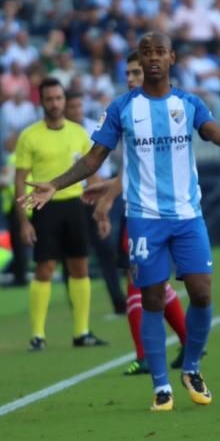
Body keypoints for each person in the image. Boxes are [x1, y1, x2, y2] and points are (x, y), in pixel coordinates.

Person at [21, 32, 220, 411]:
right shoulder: (122, 108)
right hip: (145, 218)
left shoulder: (189, 103)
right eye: (147, 53)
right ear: (140, 62)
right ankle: (161, 386)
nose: (154, 59)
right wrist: (55, 184)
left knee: (203, 292)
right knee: (151, 297)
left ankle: (191, 367)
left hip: (187, 214)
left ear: (172, 57)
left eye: (160, 52)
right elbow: (94, 159)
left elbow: (215, 134)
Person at [84, 51, 190, 376]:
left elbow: (145, 170)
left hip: (152, 213)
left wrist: (106, 200)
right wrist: (109, 194)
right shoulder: (127, 109)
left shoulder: (158, 110)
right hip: (138, 209)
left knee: (138, 281)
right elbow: (132, 169)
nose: (130, 78)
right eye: (128, 73)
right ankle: (186, 344)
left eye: (135, 72)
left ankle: (147, 354)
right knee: (149, 282)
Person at [15, 78, 107, 351]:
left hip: (75, 205)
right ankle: (38, 335)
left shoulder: (79, 132)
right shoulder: (29, 136)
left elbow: (91, 172)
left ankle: (81, 332)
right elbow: (19, 180)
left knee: (79, 266)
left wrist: (101, 210)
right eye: (49, 99)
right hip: (45, 207)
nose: (55, 103)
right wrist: (24, 220)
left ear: (64, 101)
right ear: (41, 102)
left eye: (58, 98)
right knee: (45, 267)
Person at [63, 89, 126, 316]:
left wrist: (103, 197)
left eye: (79, 106)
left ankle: (119, 302)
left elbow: (100, 164)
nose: (77, 111)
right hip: (72, 199)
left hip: (96, 193)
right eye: (73, 107)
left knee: (107, 250)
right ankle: (77, 308)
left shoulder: (94, 126)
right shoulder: (63, 133)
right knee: (73, 255)